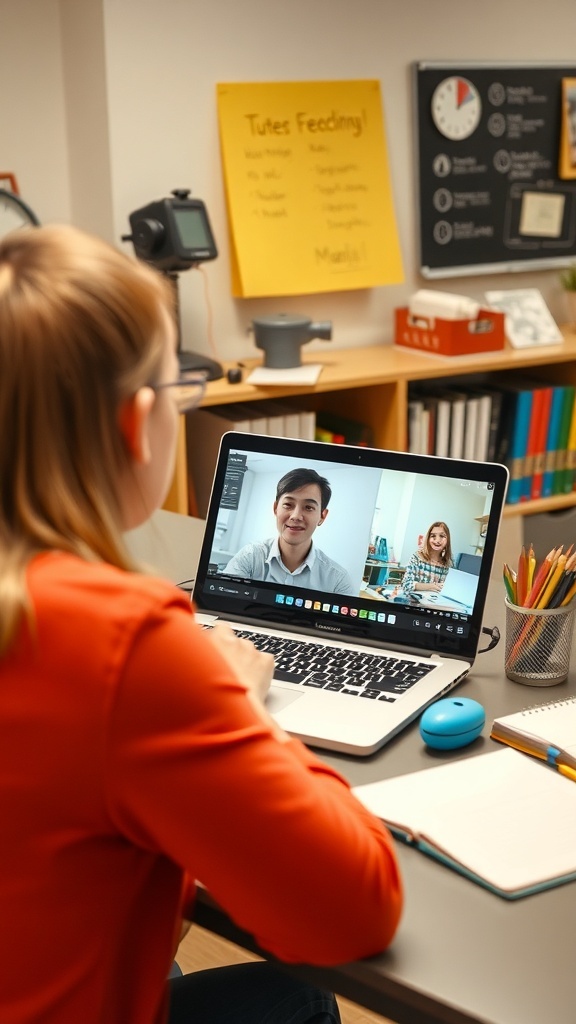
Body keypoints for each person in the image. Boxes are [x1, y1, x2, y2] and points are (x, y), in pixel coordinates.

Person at [0, 224, 402, 1024]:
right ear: (136, 422)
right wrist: (236, 700)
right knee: (298, 995)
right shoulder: (123, 641)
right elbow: (353, 910)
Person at [223, 468, 355, 594]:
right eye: (288, 505)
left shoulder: (338, 581)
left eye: (308, 507)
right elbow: (222, 602)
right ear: (276, 508)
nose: (296, 516)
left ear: (322, 516)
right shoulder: (250, 557)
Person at [401, 521, 454, 596]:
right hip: (414, 602)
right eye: (433, 536)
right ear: (428, 539)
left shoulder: (448, 565)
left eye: (442, 536)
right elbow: (406, 584)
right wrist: (432, 586)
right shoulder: (417, 557)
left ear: (447, 540)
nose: (437, 540)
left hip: (436, 603)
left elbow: (447, 590)